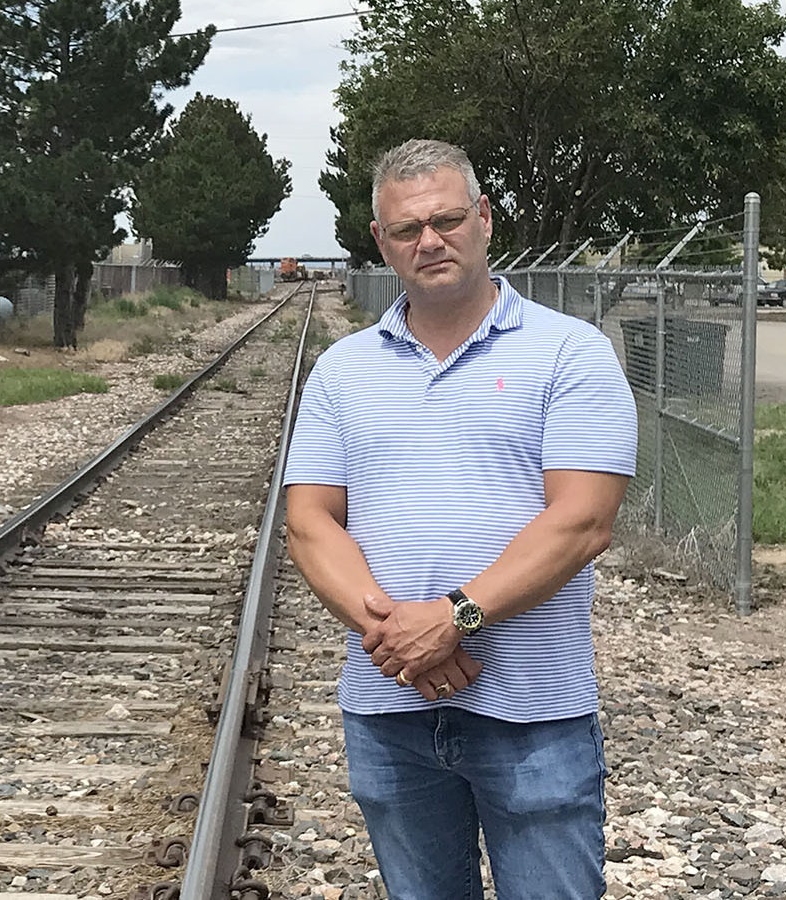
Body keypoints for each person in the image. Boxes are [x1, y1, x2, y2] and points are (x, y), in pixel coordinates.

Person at [283, 138, 639, 899]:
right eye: (407, 229)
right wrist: (406, 640)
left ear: (483, 218)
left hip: (532, 714)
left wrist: (454, 618)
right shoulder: (342, 372)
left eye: (446, 219)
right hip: (390, 712)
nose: (430, 240)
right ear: (381, 243)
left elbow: (582, 521)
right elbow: (310, 523)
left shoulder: (570, 354)